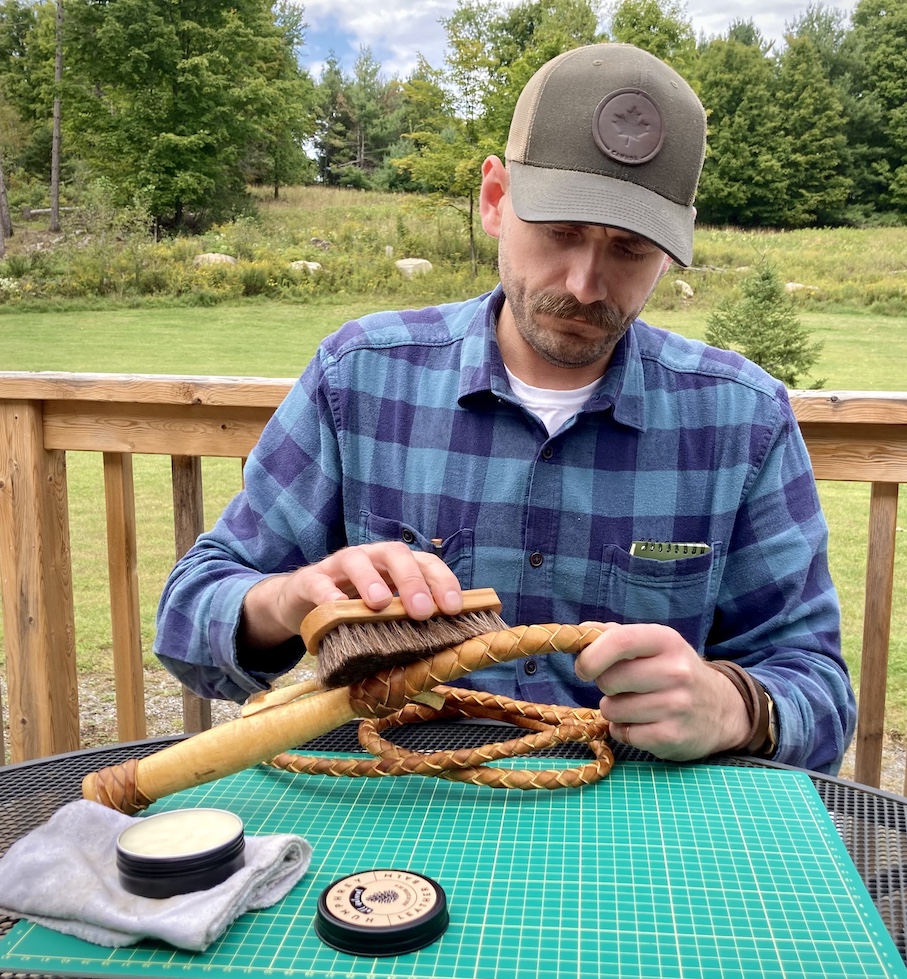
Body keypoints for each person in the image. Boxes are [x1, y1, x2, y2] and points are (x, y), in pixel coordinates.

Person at [155, 42, 856, 775]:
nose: (585, 284)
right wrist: (290, 598)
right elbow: (188, 619)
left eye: (630, 250)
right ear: (495, 198)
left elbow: (820, 689)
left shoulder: (742, 419)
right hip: (401, 799)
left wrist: (735, 706)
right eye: (560, 233)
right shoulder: (359, 377)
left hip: (642, 820)